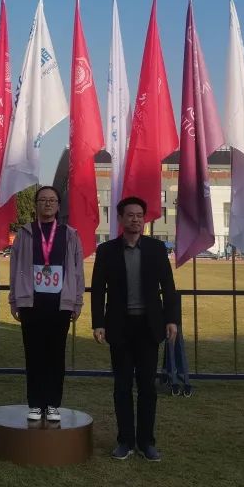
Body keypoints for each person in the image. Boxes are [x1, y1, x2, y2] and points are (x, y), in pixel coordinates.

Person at [90, 196, 180, 461]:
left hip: (149, 327)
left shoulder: (156, 249)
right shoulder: (107, 251)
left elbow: (168, 286)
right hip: (120, 326)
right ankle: (125, 440)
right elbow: (98, 290)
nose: (136, 220)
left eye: (140, 215)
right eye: (130, 215)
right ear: (120, 219)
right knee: (122, 386)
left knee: (147, 387)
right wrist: (98, 323)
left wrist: (171, 319)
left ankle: (146, 442)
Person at [8, 186, 85, 423]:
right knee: (33, 354)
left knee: (56, 355)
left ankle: (52, 404)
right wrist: (14, 299)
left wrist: (77, 301)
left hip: (60, 304)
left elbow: (78, 271)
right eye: (43, 200)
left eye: (52, 200)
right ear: (36, 205)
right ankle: (35, 402)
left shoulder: (69, 234)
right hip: (31, 303)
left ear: (59, 206)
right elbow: (14, 267)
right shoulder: (25, 233)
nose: (47, 204)